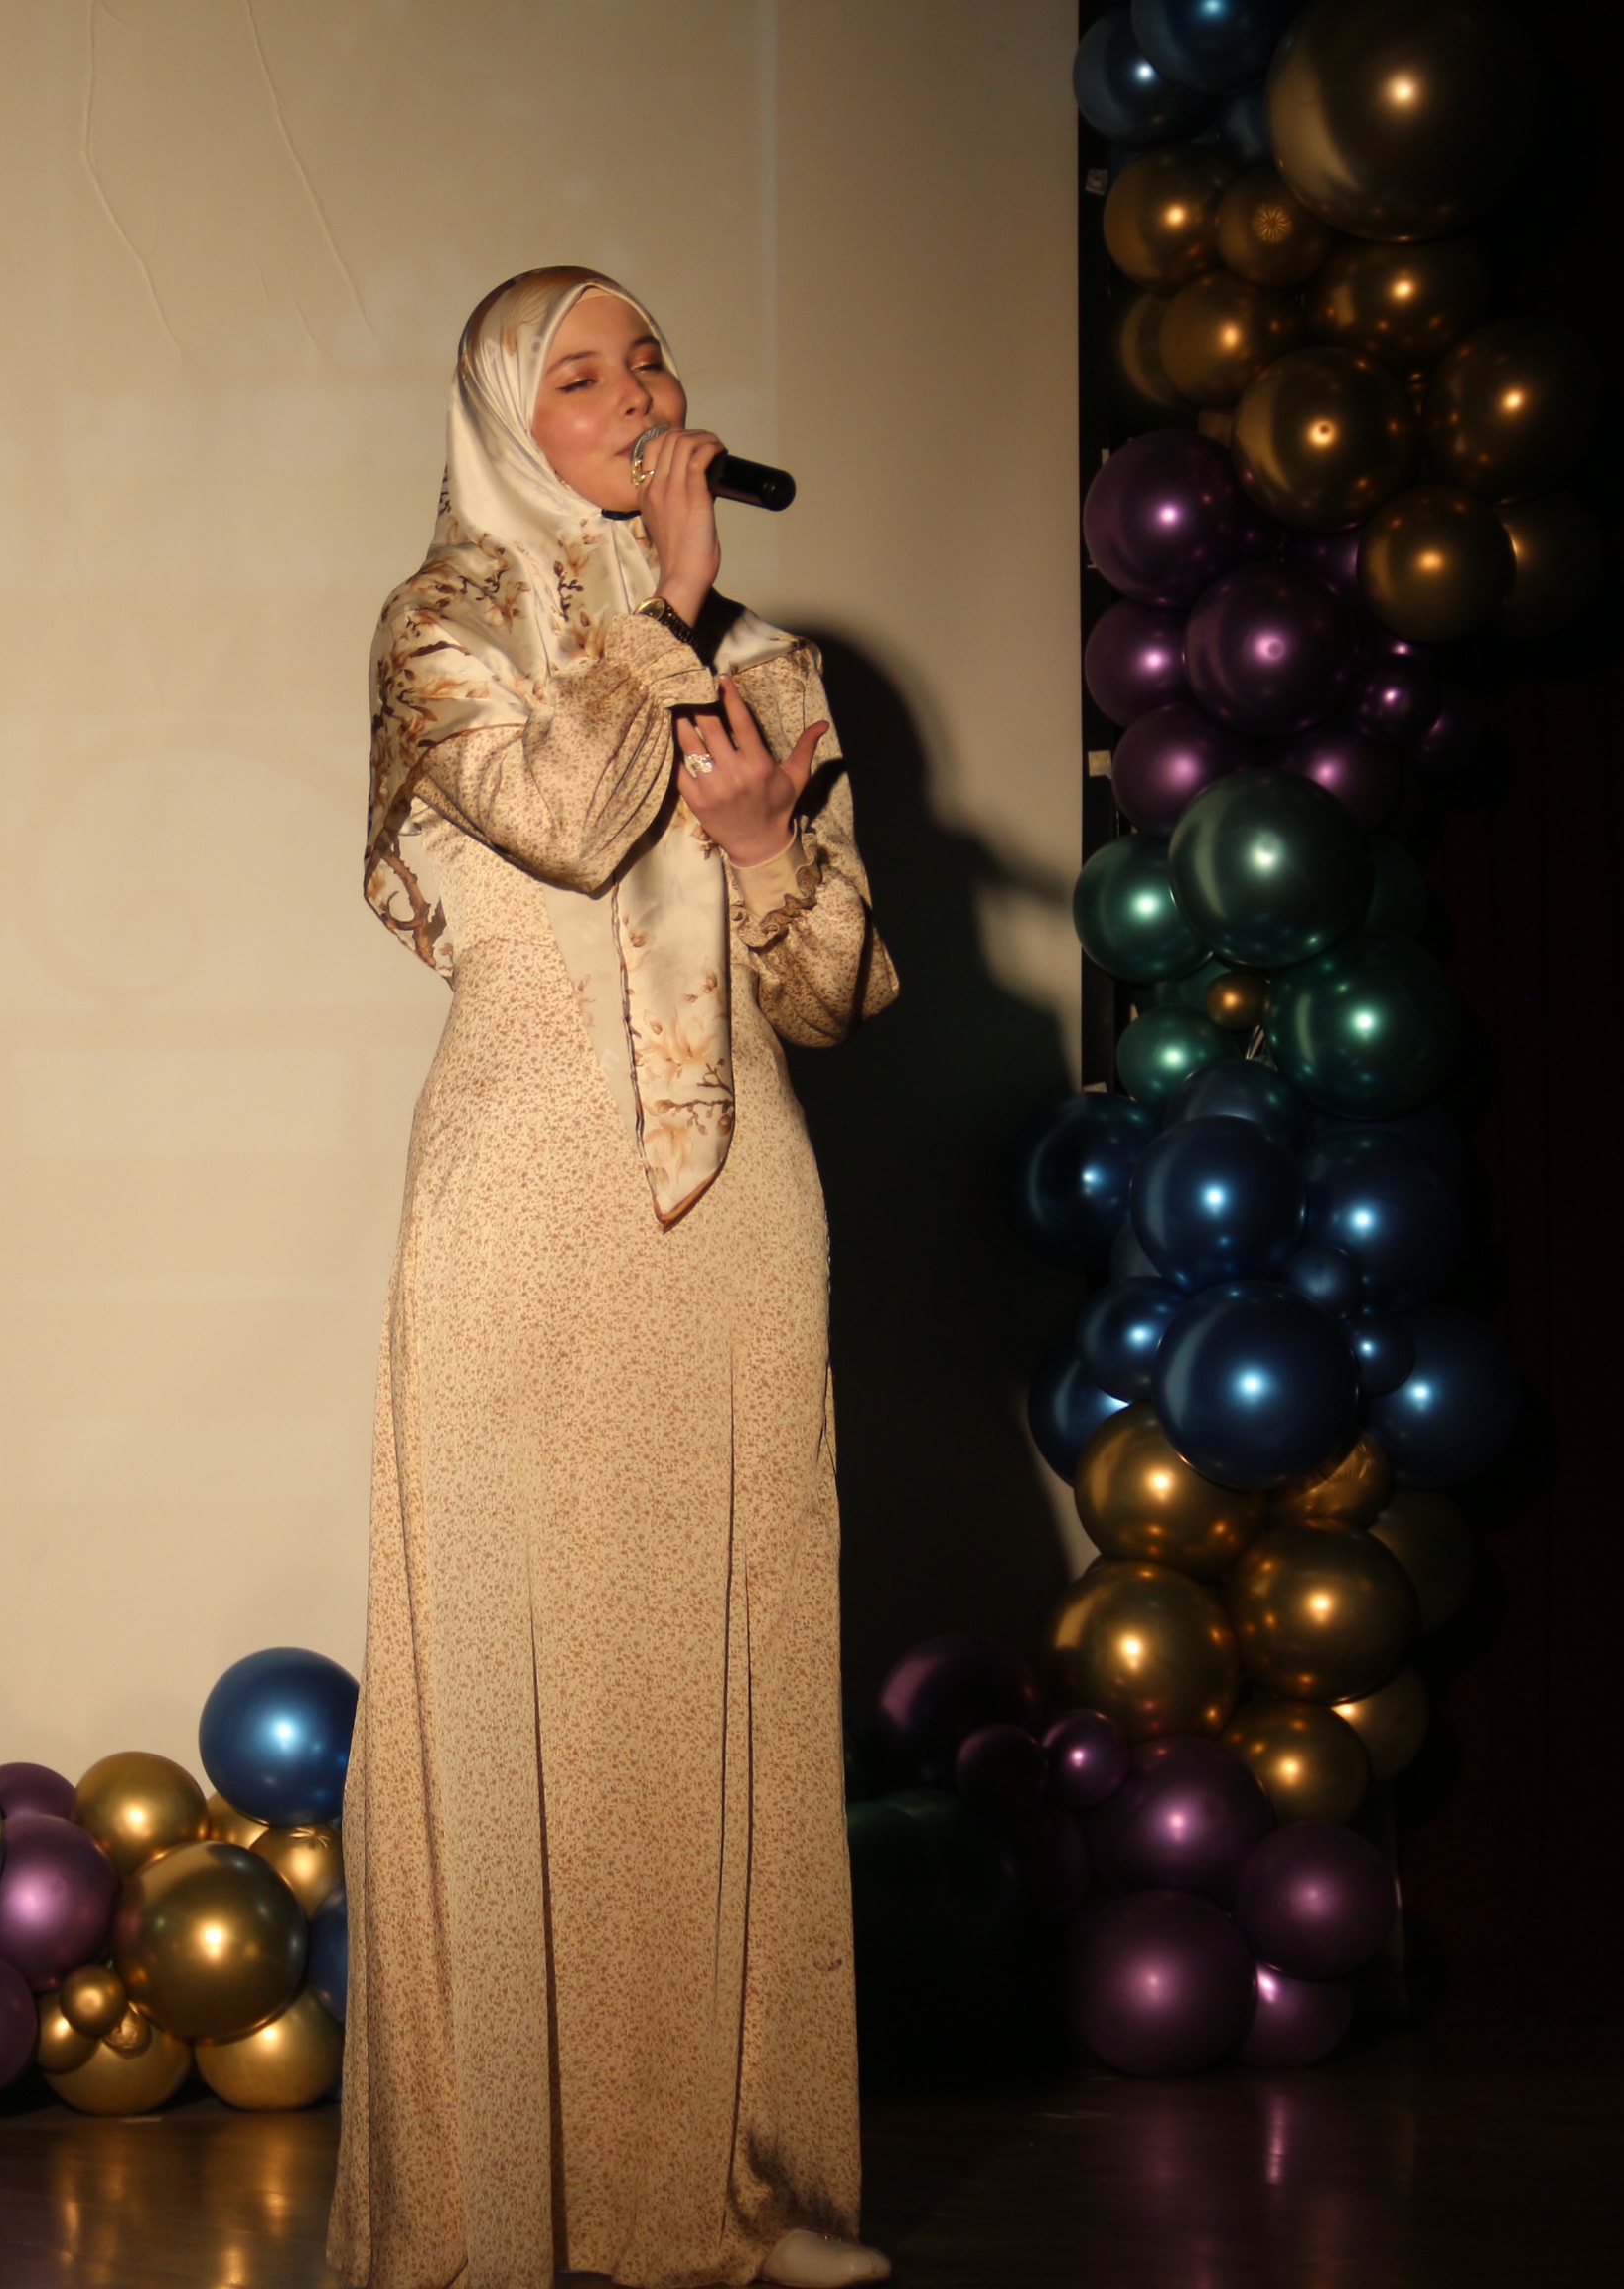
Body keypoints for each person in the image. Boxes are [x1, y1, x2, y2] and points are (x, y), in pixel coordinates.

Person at [328, 269, 899, 2289]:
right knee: (509, 1674)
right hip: (526, 1179)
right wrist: (664, 602)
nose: (637, 390)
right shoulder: (448, 626)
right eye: (581, 372)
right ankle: (489, 2211)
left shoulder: (776, 670)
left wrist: (763, 850)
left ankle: (738, 2194)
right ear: (505, 419)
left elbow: (836, 993)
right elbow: (566, 822)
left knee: (729, 1670)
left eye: (647, 355)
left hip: (738, 1191)